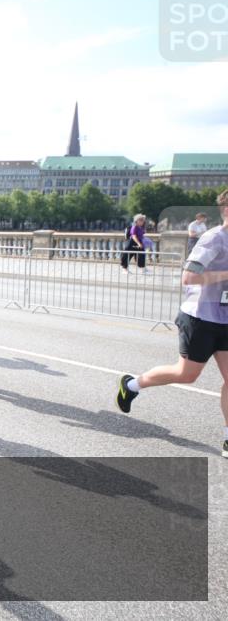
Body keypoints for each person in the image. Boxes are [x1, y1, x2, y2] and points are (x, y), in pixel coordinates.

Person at [117, 189, 228, 457]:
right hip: (200, 317)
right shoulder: (213, 239)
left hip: (226, 318)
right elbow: (189, 278)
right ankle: (132, 385)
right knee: (186, 374)